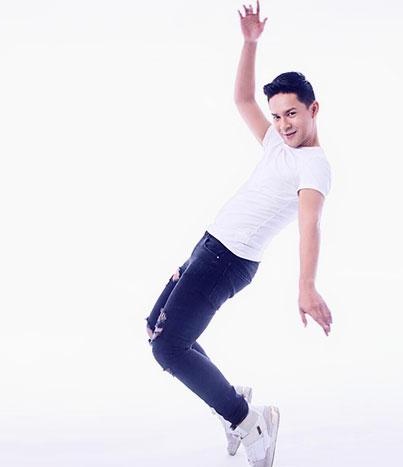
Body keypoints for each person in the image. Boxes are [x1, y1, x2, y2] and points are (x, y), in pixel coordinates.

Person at [144, 1, 333, 465]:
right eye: (278, 116)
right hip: (208, 245)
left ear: (313, 109)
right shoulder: (276, 144)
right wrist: (250, 43)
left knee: (169, 348)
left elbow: (310, 224)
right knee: (156, 329)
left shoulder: (314, 166)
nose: (284, 124)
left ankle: (248, 420)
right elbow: (244, 100)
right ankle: (235, 401)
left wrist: (306, 285)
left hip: (229, 259)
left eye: (292, 114)